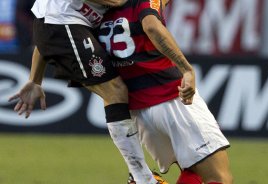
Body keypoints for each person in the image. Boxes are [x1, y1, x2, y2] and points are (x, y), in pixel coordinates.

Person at [8, 0, 161, 183]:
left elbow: (46, 22)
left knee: (114, 91)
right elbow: (51, 20)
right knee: (115, 90)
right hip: (64, 24)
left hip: (61, 24)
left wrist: (35, 79)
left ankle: (138, 176)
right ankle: (141, 177)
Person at [97, 0, 233, 183]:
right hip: (172, 100)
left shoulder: (95, 10)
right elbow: (151, 26)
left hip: (138, 112)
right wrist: (186, 69)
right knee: (218, 178)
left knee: (193, 172)